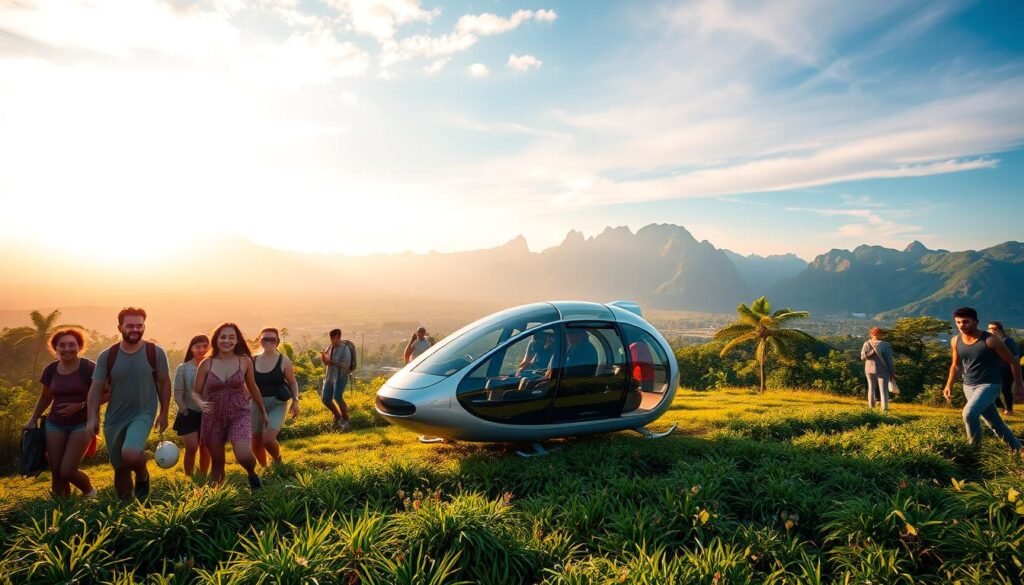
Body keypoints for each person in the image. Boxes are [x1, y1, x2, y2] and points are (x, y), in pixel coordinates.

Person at [86, 307, 171, 501]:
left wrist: (164, 412)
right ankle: (128, 508)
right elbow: (96, 388)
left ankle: (143, 475)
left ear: (144, 326)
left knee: (131, 455)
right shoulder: (107, 356)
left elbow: (164, 383)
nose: (135, 329)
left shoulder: (155, 353)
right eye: (130, 325)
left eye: (139, 325)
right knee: (120, 467)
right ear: (120, 327)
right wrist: (92, 417)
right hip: (114, 417)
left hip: (144, 412)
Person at [24, 330, 104, 498]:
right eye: (62, 345)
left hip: (83, 423)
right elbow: (46, 397)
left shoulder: (88, 367)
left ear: (79, 346)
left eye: (72, 344)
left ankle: (90, 492)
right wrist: (32, 419)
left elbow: (107, 393)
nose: (67, 349)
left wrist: (80, 406)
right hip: (55, 423)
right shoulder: (51, 370)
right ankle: (62, 507)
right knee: (56, 470)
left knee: (67, 470)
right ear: (56, 348)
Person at [191, 323, 269, 489]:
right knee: (218, 463)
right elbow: (195, 392)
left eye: (231, 337)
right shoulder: (206, 364)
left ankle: (252, 473)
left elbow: (253, 387)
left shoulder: (245, 361)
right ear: (216, 339)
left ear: (237, 340)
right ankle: (215, 499)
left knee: (243, 455)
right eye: (223, 337)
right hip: (213, 416)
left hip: (239, 412)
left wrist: (263, 411)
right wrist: (200, 403)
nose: (227, 340)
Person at [943, 307, 1024, 452]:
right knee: (994, 423)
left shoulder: (990, 340)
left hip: (990, 385)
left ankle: (974, 451)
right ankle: (1018, 449)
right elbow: (955, 366)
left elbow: (1013, 361)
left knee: (969, 414)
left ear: (976, 322)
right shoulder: (955, 341)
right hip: (968, 386)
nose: (962, 325)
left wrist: (1019, 387)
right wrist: (949, 385)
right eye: (958, 322)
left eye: (966, 322)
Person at [251, 327, 300, 467]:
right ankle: (264, 467)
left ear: (277, 341)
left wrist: (295, 401)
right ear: (260, 341)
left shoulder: (284, 361)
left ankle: (278, 461)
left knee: (267, 439)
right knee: (255, 441)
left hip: (278, 403)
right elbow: (245, 384)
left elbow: (292, 382)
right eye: (265, 338)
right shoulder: (252, 361)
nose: (268, 342)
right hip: (256, 404)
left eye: (272, 339)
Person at [173, 335, 211, 477]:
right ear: (191, 349)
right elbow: (178, 392)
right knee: (191, 447)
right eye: (197, 347)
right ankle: (189, 476)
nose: (201, 350)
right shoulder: (183, 368)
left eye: (204, 346)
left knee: (205, 447)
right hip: (189, 412)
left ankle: (203, 476)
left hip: (209, 412)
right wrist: (184, 409)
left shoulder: (214, 366)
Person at [320, 328, 351, 431]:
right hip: (329, 376)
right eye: (331, 337)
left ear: (338, 337)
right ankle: (338, 416)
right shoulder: (330, 347)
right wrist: (324, 359)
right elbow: (326, 363)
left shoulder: (344, 349)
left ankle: (346, 419)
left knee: (337, 397)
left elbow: (346, 365)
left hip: (340, 376)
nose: (332, 339)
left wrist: (331, 362)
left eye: (334, 337)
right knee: (325, 399)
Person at [860, 327, 895, 412]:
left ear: (871, 334)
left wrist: (871, 352)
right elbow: (888, 359)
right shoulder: (885, 344)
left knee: (871, 388)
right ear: (881, 334)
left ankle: (871, 408)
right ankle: (884, 409)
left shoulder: (866, 343)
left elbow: (862, 357)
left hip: (869, 369)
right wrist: (892, 372)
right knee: (883, 390)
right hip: (882, 370)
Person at [988, 321, 1020, 415]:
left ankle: (1009, 410)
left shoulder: (1007, 340)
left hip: (1007, 369)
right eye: (989, 328)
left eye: (991, 328)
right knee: (991, 388)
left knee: (1006, 389)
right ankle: (1000, 407)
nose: (989, 330)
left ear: (997, 329)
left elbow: (1015, 355)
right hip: (995, 369)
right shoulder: (993, 340)